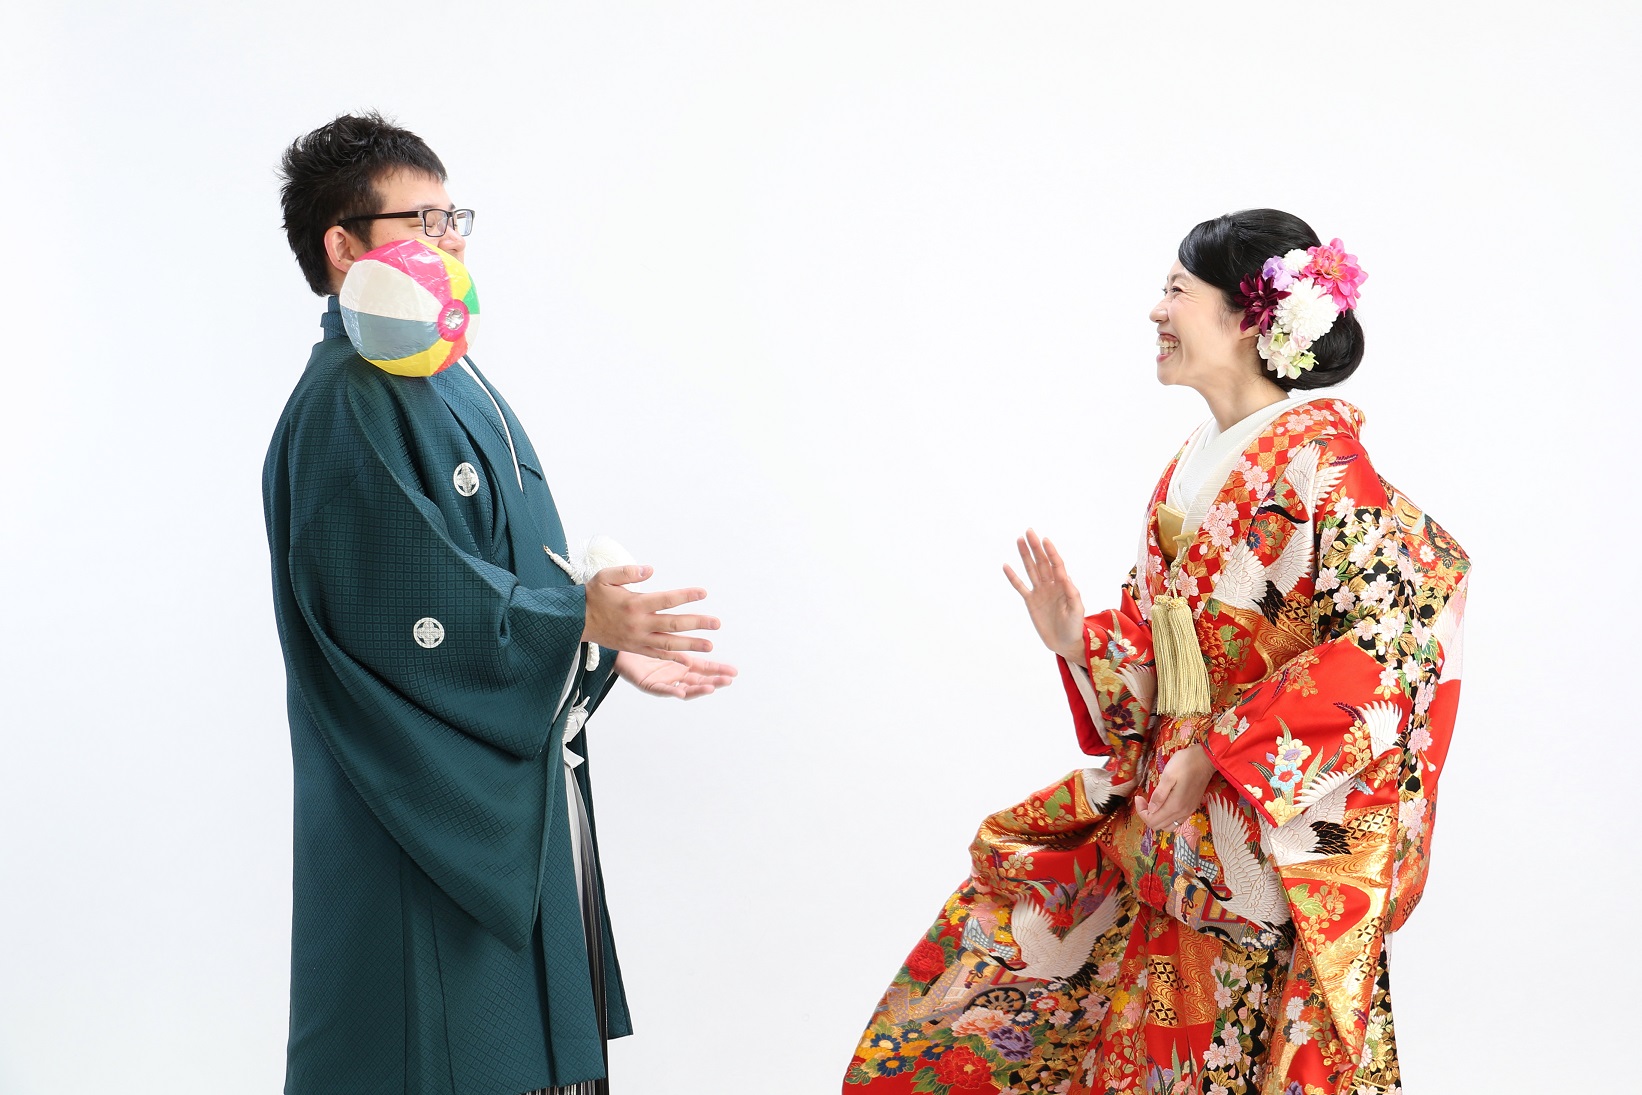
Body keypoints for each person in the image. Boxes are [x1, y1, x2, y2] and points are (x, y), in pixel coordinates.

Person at [844, 209, 1467, 1094]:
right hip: (1174, 835)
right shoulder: (1194, 462)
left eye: (1177, 290)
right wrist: (1078, 640)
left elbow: (1388, 645)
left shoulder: (1327, 469)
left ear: (1251, 316)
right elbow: (1163, 643)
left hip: (1252, 845)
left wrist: (1221, 749)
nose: (1156, 311)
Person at [264, 112, 736, 1095]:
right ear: (343, 247)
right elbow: (404, 610)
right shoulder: (349, 396)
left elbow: (505, 568)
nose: (450, 242)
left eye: (454, 218)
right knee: (436, 1047)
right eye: (421, 221)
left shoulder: (439, 377)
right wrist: (577, 626)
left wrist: (599, 649)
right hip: (423, 816)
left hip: (502, 786)